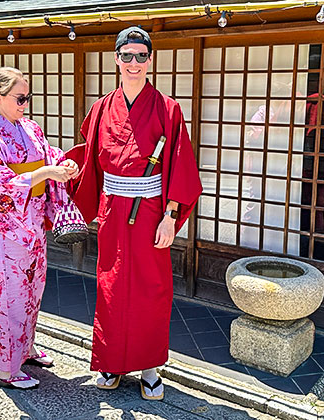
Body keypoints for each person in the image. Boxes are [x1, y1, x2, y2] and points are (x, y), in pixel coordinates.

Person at [66, 27, 202, 400]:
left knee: (151, 289)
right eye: (127, 56)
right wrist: (65, 173)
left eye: (141, 56)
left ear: (150, 60)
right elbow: (90, 157)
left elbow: (181, 165)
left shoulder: (168, 109)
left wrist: (171, 216)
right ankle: (111, 362)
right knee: (110, 286)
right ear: (116, 59)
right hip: (113, 210)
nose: (134, 64)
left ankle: (150, 368)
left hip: (152, 211)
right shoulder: (101, 108)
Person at [0, 67, 79, 390]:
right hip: (5, 227)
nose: (25, 104)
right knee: (9, 295)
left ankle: (25, 349)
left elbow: (49, 156)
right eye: (20, 98)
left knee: (33, 290)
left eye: (27, 97)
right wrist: (45, 172)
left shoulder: (29, 128)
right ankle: (6, 368)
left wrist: (64, 164)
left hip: (32, 223)